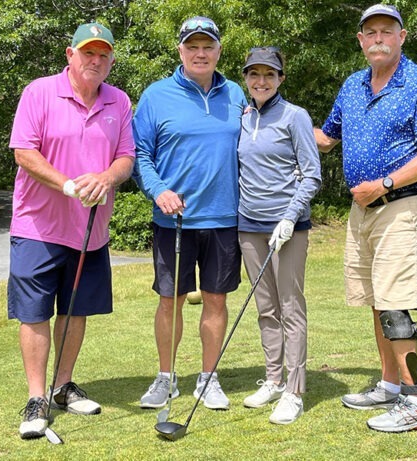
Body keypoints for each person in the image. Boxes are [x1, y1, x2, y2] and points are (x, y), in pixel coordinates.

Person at [314, 4, 417, 432]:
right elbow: (326, 139)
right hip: (362, 211)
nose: (378, 38)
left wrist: (385, 184)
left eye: (386, 31)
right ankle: (390, 385)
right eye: (370, 32)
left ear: (401, 37)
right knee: (377, 301)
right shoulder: (353, 86)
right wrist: (277, 117)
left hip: (400, 204)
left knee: (396, 307)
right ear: (360, 40)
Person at [8, 22, 135, 439]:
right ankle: (36, 397)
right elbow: (24, 152)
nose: (95, 61)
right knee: (35, 313)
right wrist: (67, 184)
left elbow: (126, 159)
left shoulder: (119, 101)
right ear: (70, 54)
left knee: (76, 310)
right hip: (38, 226)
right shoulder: (39, 92)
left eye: (103, 55)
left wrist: (106, 178)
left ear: (112, 60)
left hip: (90, 230)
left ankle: (63, 386)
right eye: (87, 53)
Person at [132, 16, 247, 411]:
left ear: (218, 51)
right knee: (170, 301)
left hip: (224, 219)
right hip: (173, 221)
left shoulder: (236, 94)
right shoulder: (155, 95)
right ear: (180, 50)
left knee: (216, 301)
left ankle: (208, 377)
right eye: (193, 46)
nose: (201, 53)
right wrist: (158, 189)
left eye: (208, 46)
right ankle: (166, 378)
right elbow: (140, 155)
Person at [236, 47, 321, 425]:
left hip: (287, 229)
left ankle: (294, 390)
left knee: (290, 308)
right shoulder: (243, 117)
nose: (261, 81)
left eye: (269, 74)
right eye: (255, 74)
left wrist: (289, 218)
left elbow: (312, 173)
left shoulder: (295, 116)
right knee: (265, 308)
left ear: (281, 79)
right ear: (246, 79)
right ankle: (272, 379)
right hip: (249, 227)